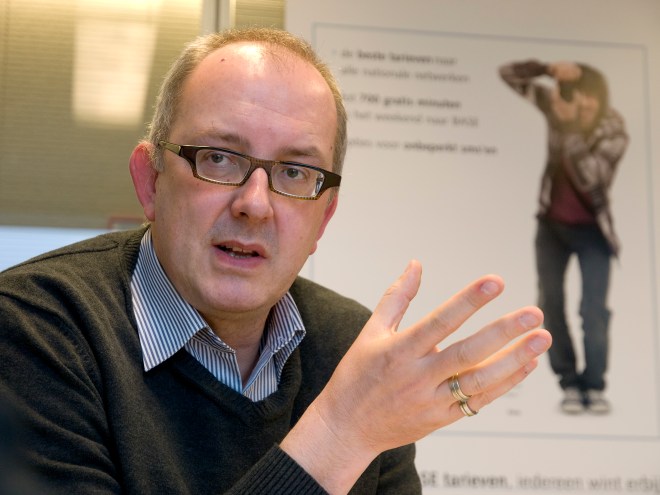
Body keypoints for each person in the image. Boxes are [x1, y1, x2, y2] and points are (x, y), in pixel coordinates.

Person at [0, 28, 551, 495]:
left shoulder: (351, 347)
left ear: (324, 218)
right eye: (219, 158)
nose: (255, 204)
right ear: (150, 181)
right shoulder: (34, 328)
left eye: (294, 172)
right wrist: (339, 434)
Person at [499, 60, 628, 415]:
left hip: (594, 231)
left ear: (600, 98)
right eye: (576, 94)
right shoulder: (557, 106)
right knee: (550, 303)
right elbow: (508, 74)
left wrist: (569, 127)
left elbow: (591, 179)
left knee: (593, 311)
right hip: (552, 226)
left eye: (589, 95)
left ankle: (594, 385)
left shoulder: (613, 129)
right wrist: (546, 69)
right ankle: (569, 382)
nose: (581, 102)